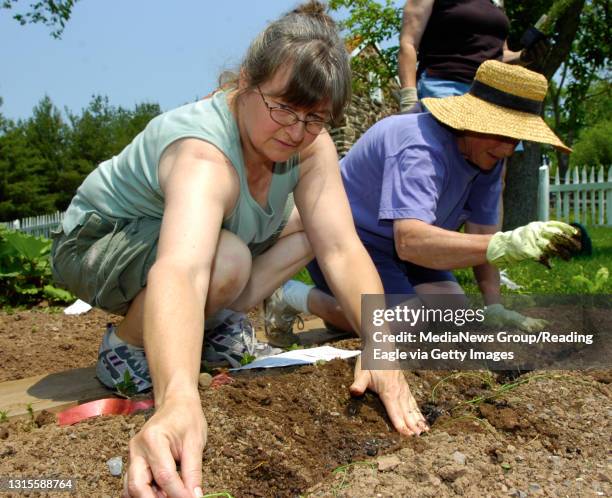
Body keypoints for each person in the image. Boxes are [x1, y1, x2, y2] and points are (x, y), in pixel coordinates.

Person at [51, 3, 429, 497]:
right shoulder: (204, 154)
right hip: (96, 243)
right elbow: (182, 270)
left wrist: (382, 349)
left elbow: (340, 247)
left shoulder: (308, 148)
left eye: (314, 118)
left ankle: (206, 328)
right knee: (224, 258)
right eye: (282, 108)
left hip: (184, 247)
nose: (295, 131)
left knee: (310, 225)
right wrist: (178, 400)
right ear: (246, 83)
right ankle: (127, 346)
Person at [264, 60, 578, 345]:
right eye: (501, 134)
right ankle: (292, 295)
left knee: (453, 318)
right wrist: (506, 244)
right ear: (473, 120)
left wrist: (494, 305)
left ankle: (350, 313)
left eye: (516, 138)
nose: (507, 149)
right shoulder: (420, 146)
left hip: (410, 244)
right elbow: (411, 241)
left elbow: (483, 233)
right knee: (406, 326)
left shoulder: (488, 157)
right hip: (349, 240)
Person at [398, 0, 549, 111]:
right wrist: (409, 100)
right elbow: (408, 43)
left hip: (489, 94)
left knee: (491, 153)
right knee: (443, 152)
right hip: (444, 88)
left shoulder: (496, 1)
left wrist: (523, 57)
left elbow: (499, 55)